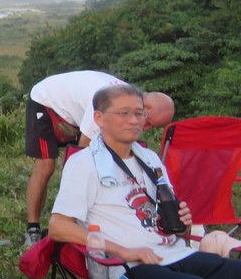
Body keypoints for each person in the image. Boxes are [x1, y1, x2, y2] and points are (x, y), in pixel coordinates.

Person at [49, 84, 241, 279]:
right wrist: (124, 251)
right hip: (128, 267)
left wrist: (181, 221)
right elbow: (58, 226)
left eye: (139, 113)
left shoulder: (149, 158)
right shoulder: (84, 163)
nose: (134, 120)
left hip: (174, 253)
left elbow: (161, 215)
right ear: (99, 118)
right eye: (124, 113)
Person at [24, 70, 174, 246]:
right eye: (149, 123)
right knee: (46, 167)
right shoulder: (109, 101)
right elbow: (82, 150)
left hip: (75, 111)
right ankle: (33, 228)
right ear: (145, 108)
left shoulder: (127, 100)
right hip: (46, 102)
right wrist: (74, 196)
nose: (145, 128)